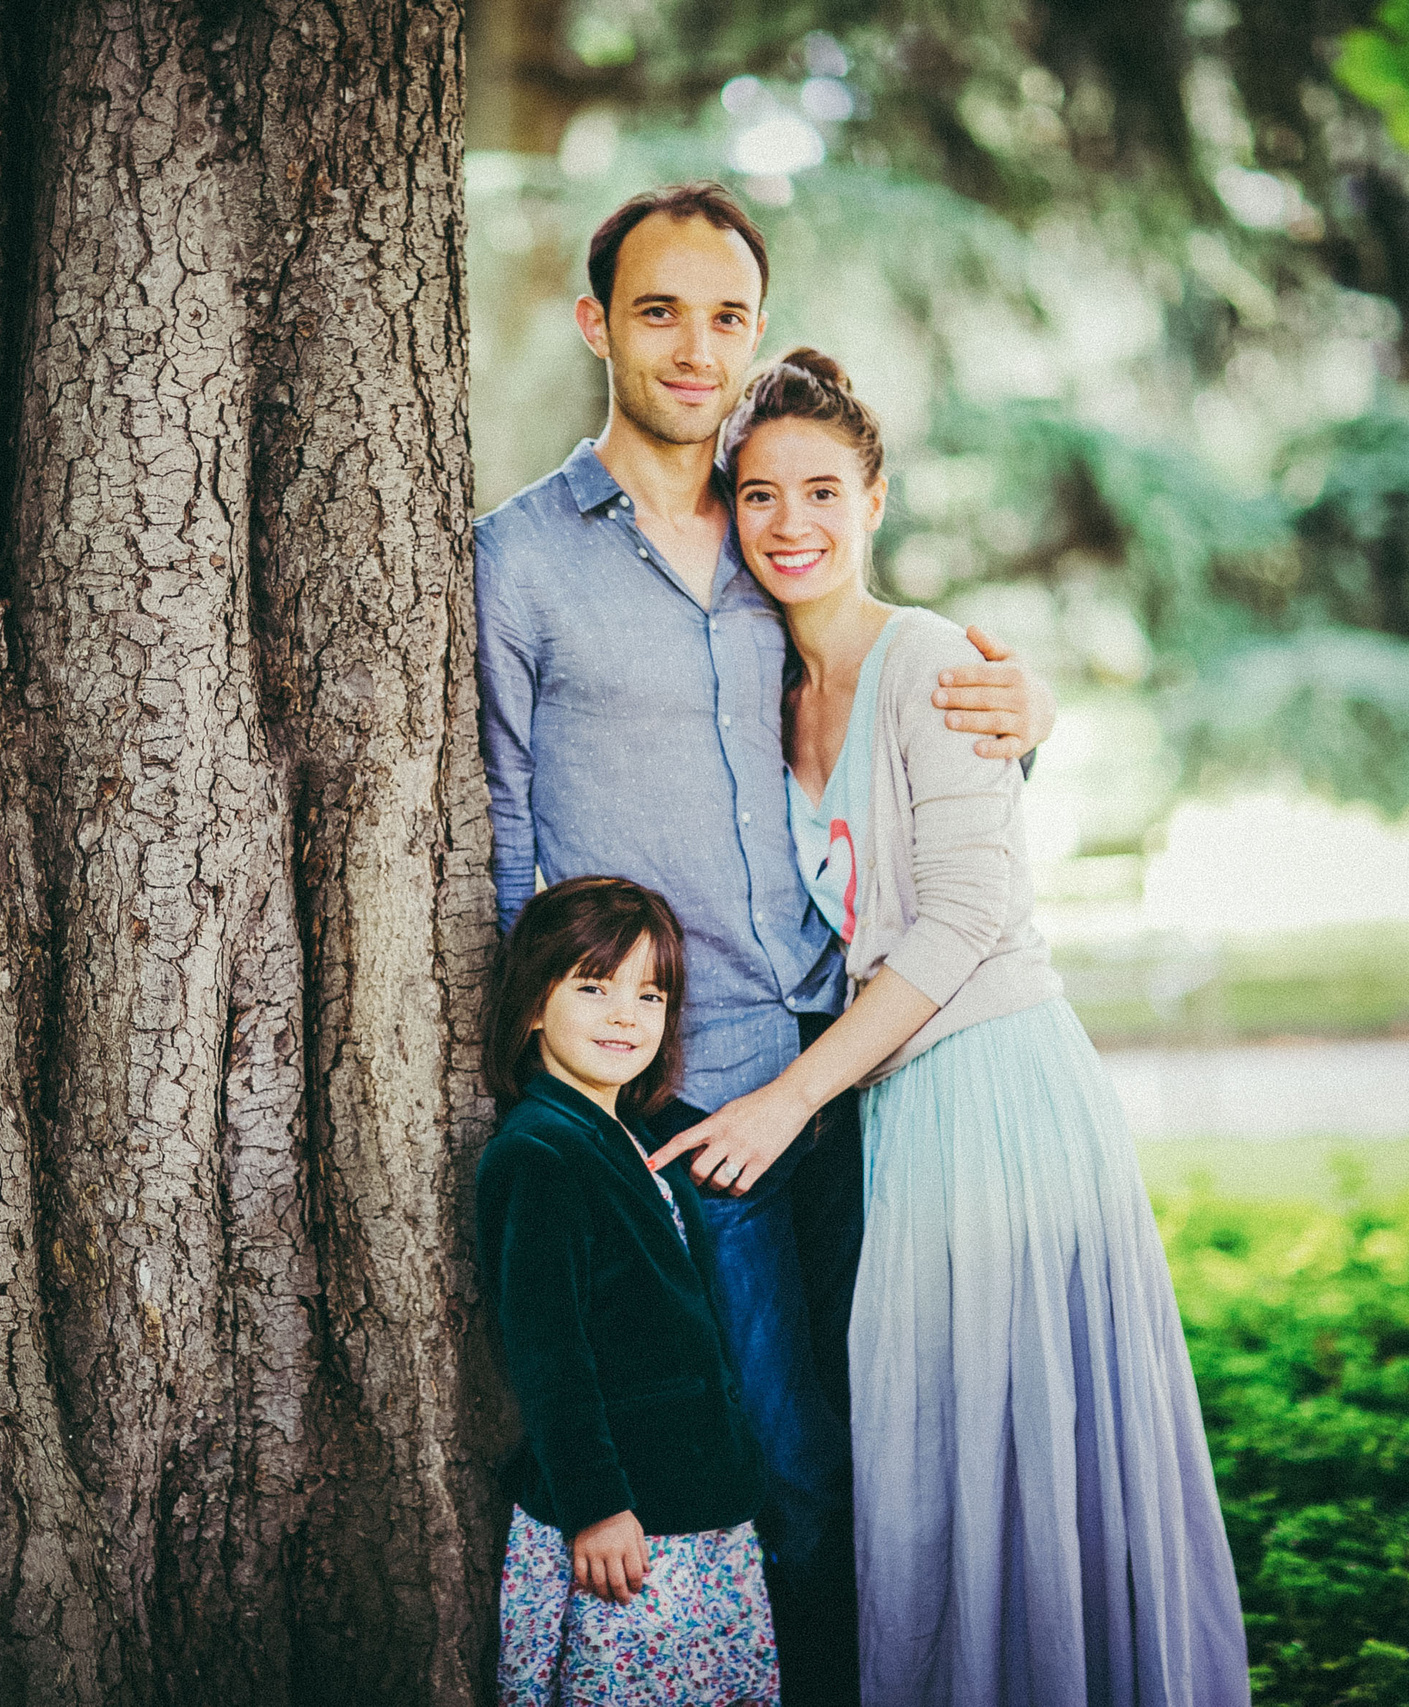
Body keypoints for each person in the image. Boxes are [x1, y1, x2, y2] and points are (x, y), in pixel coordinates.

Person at [474, 180, 1058, 1701]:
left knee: (891, 1444)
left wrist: (1026, 714)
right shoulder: (520, 558)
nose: (694, 347)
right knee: (778, 1462)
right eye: (658, 309)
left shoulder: (772, 532)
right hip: (684, 1094)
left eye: (726, 315)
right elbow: (495, 829)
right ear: (598, 321)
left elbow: (890, 712)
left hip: (857, 1067)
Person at [647, 348, 1252, 1706]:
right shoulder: (767, 682)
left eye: (820, 489)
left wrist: (786, 1099)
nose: (789, 523)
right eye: (757, 495)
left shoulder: (929, 659)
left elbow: (966, 914)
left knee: (1019, 1452)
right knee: (941, 1468)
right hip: (903, 1113)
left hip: (999, 1092)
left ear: (875, 499)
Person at [476, 875, 780, 1707]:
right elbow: (550, 1353)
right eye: (593, 986)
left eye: (650, 995)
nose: (625, 1014)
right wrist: (598, 1502)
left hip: (700, 1510)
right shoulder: (538, 1154)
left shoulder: (635, 1135)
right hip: (630, 1531)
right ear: (534, 1004)